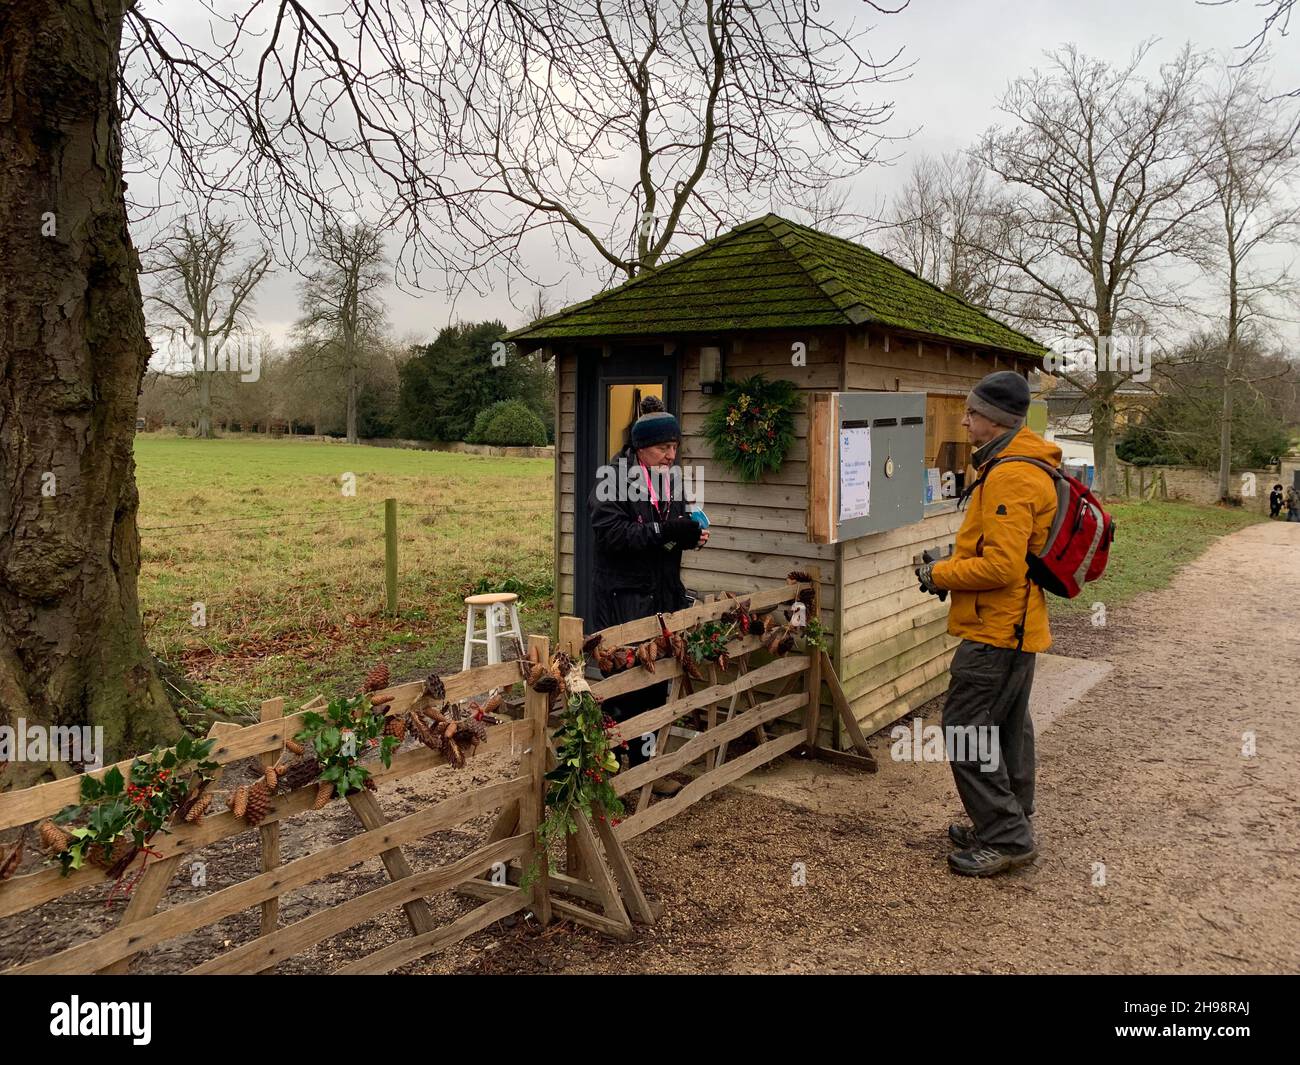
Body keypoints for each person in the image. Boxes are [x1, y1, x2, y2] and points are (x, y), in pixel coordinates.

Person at [914, 370, 1061, 877]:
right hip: (1017, 626)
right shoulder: (1015, 464)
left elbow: (1002, 566)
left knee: (963, 730)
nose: (964, 419)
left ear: (992, 419)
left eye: (971, 412)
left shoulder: (1011, 475)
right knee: (1007, 726)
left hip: (997, 630)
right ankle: (1009, 817)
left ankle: (1007, 836)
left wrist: (940, 573)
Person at [587, 396, 709, 788]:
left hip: (661, 595)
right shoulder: (612, 480)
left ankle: (645, 769)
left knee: (656, 683)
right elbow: (612, 536)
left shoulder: (669, 480)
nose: (670, 455)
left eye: (674, 447)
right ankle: (608, 769)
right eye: (663, 448)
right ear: (641, 447)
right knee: (626, 686)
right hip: (624, 599)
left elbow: (667, 535)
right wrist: (666, 532)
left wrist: (690, 536)